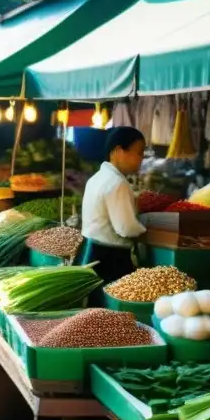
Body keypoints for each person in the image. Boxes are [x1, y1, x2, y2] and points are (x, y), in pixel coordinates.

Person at [79, 127, 147, 303]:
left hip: (90, 251)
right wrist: (147, 229)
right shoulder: (117, 183)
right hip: (110, 260)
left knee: (94, 310)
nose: (142, 158)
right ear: (118, 151)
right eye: (139, 152)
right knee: (110, 314)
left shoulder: (96, 178)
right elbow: (126, 228)